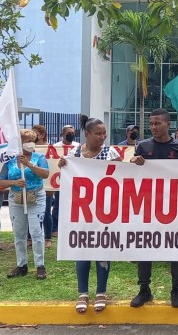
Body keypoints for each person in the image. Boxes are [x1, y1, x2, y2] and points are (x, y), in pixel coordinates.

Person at [129, 108, 178, 308]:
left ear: (168, 124)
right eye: (151, 124)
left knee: (176, 248)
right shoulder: (143, 146)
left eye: (158, 123)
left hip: (174, 207)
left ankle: (176, 288)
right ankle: (144, 289)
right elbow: (130, 173)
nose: (154, 127)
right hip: (147, 207)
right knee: (144, 247)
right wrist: (133, 161)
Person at [58, 115, 122, 314]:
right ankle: (83, 293)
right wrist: (63, 166)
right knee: (82, 249)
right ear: (86, 134)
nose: (102, 137)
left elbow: (124, 177)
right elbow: (67, 181)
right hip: (82, 212)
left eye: (104, 133)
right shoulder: (74, 154)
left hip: (105, 212)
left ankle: (101, 292)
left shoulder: (110, 153)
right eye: (98, 134)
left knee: (102, 248)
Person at [0, 129, 50, 280]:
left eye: (32, 141)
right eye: (27, 141)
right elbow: (0, 180)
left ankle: (40, 265)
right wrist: (13, 182)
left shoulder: (39, 157)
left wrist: (29, 164)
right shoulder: (10, 162)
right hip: (16, 198)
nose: (30, 144)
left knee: (36, 232)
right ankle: (22, 265)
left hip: (36, 197)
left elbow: (45, 174)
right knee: (19, 233)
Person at [52, 123, 79, 236]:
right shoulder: (56, 147)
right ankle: (55, 228)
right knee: (57, 205)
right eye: (69, 133)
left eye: (73, 133)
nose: (71, 135)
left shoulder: (78, 146)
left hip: (73, 181)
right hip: (60, 180)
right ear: (63, 134)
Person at [32, 124, 54, 248]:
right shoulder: (30, 148)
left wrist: (51, 185)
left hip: (47, 186)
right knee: (31, 211)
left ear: (42, 135)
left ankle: (48, 238)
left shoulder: (50, 149)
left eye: (35, 133)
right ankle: (31, 238)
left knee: (46, 212)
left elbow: (53, 167)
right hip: (34, 185)